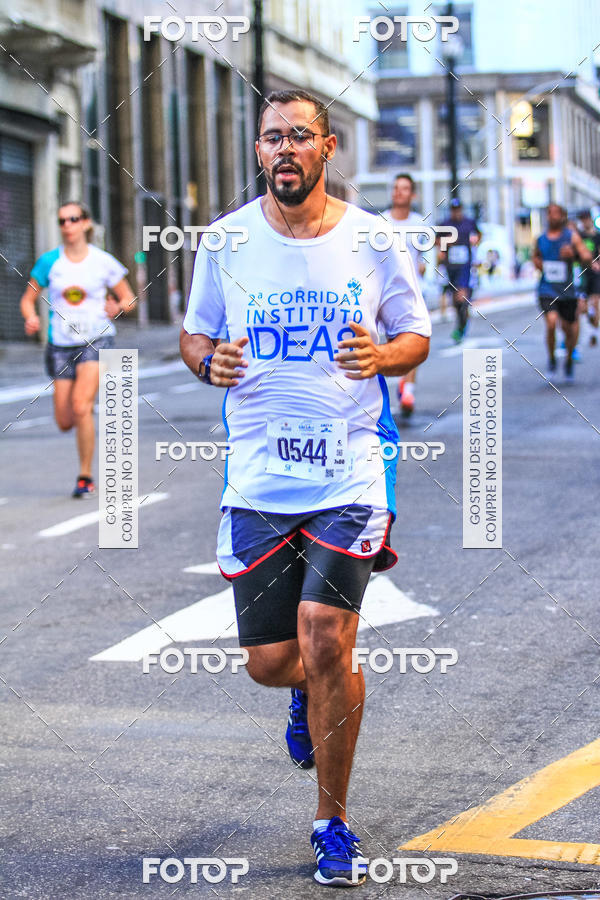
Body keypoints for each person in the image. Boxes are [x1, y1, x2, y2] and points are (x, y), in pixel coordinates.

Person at [180, 89, 431, 888]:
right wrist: (203, 361)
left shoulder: (374, 239)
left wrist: (380, 358)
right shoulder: (223, 241)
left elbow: (415, 335)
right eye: (270, 138)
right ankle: (307, 696)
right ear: (259, 154)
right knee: (270, 661)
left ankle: (332, 822)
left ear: (327, 149)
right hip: (257, 476)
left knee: (327, 635)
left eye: (299, 136)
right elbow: (196, 332)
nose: (283, 149)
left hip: (350, 467)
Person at [20, 201, 135, 496]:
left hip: (96, 340)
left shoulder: (102, 261)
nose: (68, 226)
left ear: (86, 223)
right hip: (60, 345)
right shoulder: (49, 262)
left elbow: (129, 299)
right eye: (62, 221)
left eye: (73, 219)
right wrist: (31, 317)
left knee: (82, 406)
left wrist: (118, 306)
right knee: (64, 419)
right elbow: (27, 298)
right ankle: (80, 428)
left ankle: (85, 476)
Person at [382, 173, 427, 417]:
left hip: (412, 294)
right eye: (396, 188)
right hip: (385, 294)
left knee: (411, 341)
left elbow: (426, 257)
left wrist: (424, 268)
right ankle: (398, 384)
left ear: (413, 194)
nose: (399, 192)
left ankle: (408, 389)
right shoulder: (380, 223)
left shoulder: (420, 225)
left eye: (404, 188)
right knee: (391, 346)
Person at [532, 203, 591, 381]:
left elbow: (587, 258)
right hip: (546, 289)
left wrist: (573, 254)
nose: (552, 217)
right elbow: (535, 256)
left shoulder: (571, 237)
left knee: (569, 329)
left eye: (556, 214)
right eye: (549, 213)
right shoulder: (541, 238)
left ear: (563, 216)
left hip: (566, 290)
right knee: (551, 323)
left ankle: (568, 360)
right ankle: (551, 359)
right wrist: (538, 264)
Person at [437, 198, 481, 343]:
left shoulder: (469, 223)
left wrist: (475, 244)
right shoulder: (445, 225)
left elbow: (479, 234)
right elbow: (436, 241)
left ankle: (460, 329)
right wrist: (446, 243)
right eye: (453, 209)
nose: (456, 212)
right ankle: (462, 324)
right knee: (456, 302)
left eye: (458, 209)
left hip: (465, 266)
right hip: (451, 267)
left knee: (461, 297)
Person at [578, 210, 600, 347]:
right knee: (583, 307)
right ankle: (591, 326)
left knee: (596, 303)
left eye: (586, 219)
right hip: (582, 273)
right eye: (582, 219)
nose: (585, 221)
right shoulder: (578, 236)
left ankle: (593, 332)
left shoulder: (597, 236)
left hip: (595, 274)